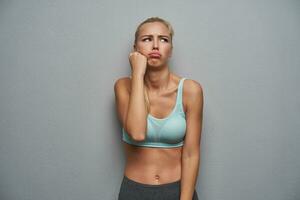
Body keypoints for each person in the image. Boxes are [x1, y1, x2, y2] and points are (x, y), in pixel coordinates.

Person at [114, 16, 204, 200]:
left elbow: (191, 154)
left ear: (170, 50)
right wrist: (138, 73)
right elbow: (137, 133)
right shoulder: (123, 87)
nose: (155, 45)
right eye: (147, 39)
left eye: (163, 39)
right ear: (135, 49)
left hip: (178, 191)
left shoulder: (190, 90)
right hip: (134, 192)